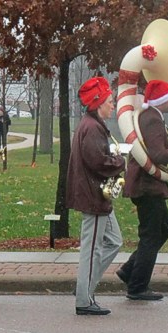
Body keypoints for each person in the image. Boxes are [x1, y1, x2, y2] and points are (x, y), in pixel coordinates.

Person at [118, 80, 168, 301]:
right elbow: (158, 156)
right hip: (147, 187)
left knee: (164, 228)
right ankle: (137, 286)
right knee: (151, 235)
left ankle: (129, 270)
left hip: (148, 186)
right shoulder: (152, 120)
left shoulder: (153, 117)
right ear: (162, 100)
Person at [66, 77, 125, 316]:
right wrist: (119, 162)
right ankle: (83, 299)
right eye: (111, 101)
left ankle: (84, 286)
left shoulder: (92, 125)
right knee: (92, 250)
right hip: (93, 195)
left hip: (97, 195)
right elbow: (98, 161)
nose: (113, 105)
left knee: (114, 241)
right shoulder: (91, 128)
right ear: (98, 102)